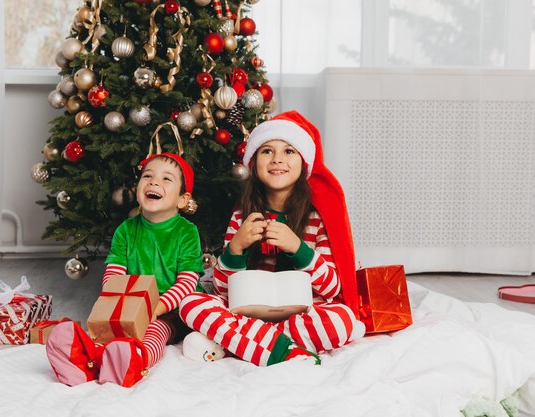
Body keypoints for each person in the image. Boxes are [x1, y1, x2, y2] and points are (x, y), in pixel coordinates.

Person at [179, 110, 365, 367]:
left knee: (342, 320)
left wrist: (299, 249)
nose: (278, 159)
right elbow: (223, 290)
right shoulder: (241, 216)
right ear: (254, 163)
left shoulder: (317, 217)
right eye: (267, 151)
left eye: (289, 151)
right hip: (249, 310)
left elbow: (333, 288)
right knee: (190, 302)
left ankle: (240, 341)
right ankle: (282, 351)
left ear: (304, 163)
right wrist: (236, 248)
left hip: (301, 313)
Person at [47, 153, 204, 386]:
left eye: (166, 179)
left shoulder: (186, 232)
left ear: (182, 199)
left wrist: (156, 308)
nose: (153, 182)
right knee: (107, 331)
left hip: (170, 310)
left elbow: (187, 282)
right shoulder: (126, 230)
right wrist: (115, 304)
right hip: (131, 303)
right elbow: (114, 272)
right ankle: (83, 362)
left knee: (154, 333)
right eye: (147, 176)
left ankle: (135, 361)